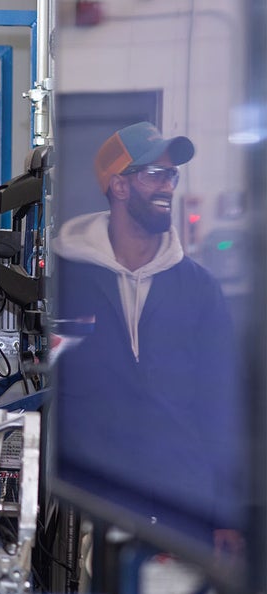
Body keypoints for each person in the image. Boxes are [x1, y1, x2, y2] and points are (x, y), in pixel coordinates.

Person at [53, 121, 242, 541]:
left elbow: (221, 406)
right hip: (91, 509)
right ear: (119, 186)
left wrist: (228, 515)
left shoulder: (199, 289)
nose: (167, 187)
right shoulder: (66, 282)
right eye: (154, 174)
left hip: (183, 509)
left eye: (171, 175)